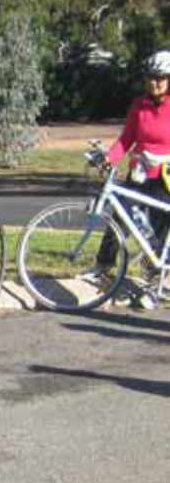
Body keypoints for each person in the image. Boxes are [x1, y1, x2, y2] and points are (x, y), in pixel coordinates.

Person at [95, 49, 170, 309]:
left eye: (161, 78)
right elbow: (127, 138)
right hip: (138, 174)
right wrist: (110, 158)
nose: (155, 83)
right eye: (151, 78)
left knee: (156, 231)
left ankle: (153, 283)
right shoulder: (140, 105)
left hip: (164, 178)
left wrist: (163, 159)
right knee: (118, 215)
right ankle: (103, 268)